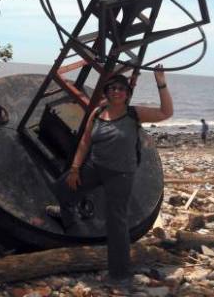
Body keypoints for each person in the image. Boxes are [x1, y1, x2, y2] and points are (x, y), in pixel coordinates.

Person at [46, 64, 173, 287]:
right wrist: (75, 168)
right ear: (106, 91)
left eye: (121, 89)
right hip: (95, 167)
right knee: (63, 189)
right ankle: (68, 216)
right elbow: (85, 141)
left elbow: (166, 112)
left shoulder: (133, 114)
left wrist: (160, 81)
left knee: (116, 223)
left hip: (121, 175)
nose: (116, 91)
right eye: (112, 88)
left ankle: (120, 274)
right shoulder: (97, 113)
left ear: (127, 94)